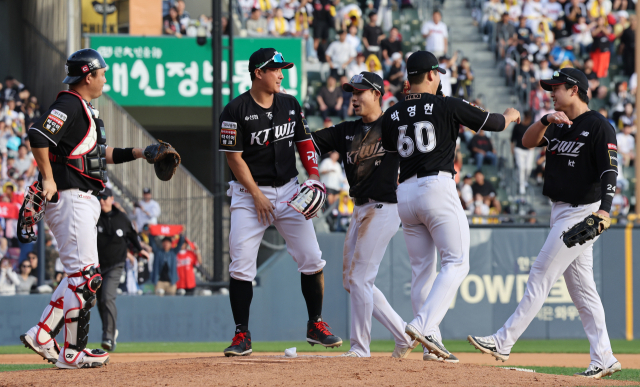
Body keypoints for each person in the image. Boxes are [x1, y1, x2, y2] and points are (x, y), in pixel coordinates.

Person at [468, 68, 622, 380]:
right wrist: (545, 120)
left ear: (575, 89)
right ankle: (604, 357)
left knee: (540, 272)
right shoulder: (558, 122)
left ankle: (503, 341)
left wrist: (605, 211)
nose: (552, 91)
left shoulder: (598, 126)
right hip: (560, 210)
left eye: (557, 86)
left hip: (583, 211)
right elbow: (526, 141)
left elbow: (610, 172)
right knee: (584, 293)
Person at [20, 48, 168, 369]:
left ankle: (57, 342)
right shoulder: (70, 102)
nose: (105, 79)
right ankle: (58, 343)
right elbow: (38, 134)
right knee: (87, 279)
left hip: (83, 198)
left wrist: (142, 152)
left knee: (81, 278)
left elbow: (99, 155)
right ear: (89, 76)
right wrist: (47, 177)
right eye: (102, 74)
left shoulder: (84, 108)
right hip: (71, 197)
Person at [381, 50, 520, 362]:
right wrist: (512, 115)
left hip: (405, 192)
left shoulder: (392, 113)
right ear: (432, 74)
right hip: (436, 187)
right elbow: (494, 123)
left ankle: (433, 345)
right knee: (457, 263)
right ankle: (422, 326)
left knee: (421, 271)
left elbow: (391, 150)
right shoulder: (446, 104)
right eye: (438, 72)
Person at [218, 47, 342, 357]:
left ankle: (315, 324)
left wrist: (313, 175)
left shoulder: (289, 103)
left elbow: (304, 142)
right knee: (242, 265)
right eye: (275, 69)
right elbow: (234, 159)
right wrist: (257, 195)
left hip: (289, 190)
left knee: (312, 258)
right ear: (258, 73)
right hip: (249, 195)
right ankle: (241, 335)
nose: (281, 74)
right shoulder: (234, 110)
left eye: (282, 69)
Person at [311, 72, 416, 358]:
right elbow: (307, 142)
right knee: (353, 282)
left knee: (359, 279)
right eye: (352, 93)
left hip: (385, 207)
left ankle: (360, 347)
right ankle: (402, 333)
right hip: (359, 209)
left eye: (360, 92)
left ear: (377, 94)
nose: (354, 98)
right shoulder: (345, 131)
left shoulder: (393, 124)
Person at [96, 188, 148, 351]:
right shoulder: (94, 217)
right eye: (99, 197)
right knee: (99, 302)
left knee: (107, 297)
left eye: (105, 197)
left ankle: (108, 337)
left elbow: (132, 236)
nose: (102, 200)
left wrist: (139, 250)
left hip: (115, 265)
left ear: (112, 199)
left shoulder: (121, 218)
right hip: (96, 266)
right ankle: (110, 330)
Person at [511, 111, 536, 194]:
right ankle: (521, 185)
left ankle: (525, 181)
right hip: (519, 149)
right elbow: (512, 139)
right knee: (521, 168)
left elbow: (536, 137)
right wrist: (512, 149)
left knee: (528, 168)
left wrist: (533, 145)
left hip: (529, 150)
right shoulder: (517, 126)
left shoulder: (532, 126)